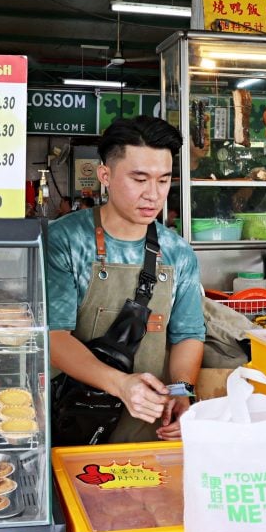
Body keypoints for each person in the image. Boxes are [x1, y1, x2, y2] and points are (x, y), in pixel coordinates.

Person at [45, 116, 205, 442]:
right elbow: (51, 336)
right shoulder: (64, 240)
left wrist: (181, 390)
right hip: (72, 420)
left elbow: (187, 334)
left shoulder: (178, 253)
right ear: (105, 175)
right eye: (139, 179)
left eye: (163, 181)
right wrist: (121, 384)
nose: (153, 195)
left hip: (148, 424)